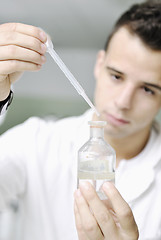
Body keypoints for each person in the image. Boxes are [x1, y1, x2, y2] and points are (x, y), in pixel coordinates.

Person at [0, 0, 161, 239]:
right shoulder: (35, 142)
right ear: (99, 64)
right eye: (116, 76)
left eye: (148, 89)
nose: (123, 102)